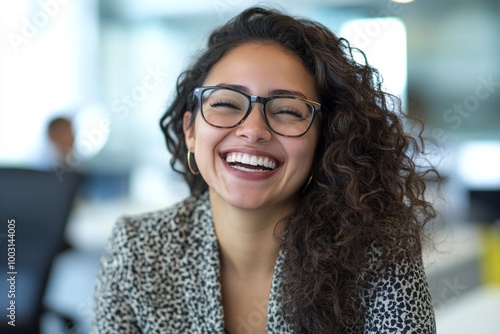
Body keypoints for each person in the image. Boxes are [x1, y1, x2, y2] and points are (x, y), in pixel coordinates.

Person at [92, 7, 438, 333]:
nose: (254, 129)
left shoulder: (377, 259)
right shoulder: (137, 250)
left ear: (325, 142)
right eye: (227, 103)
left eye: (288, 111)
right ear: (191, 131)